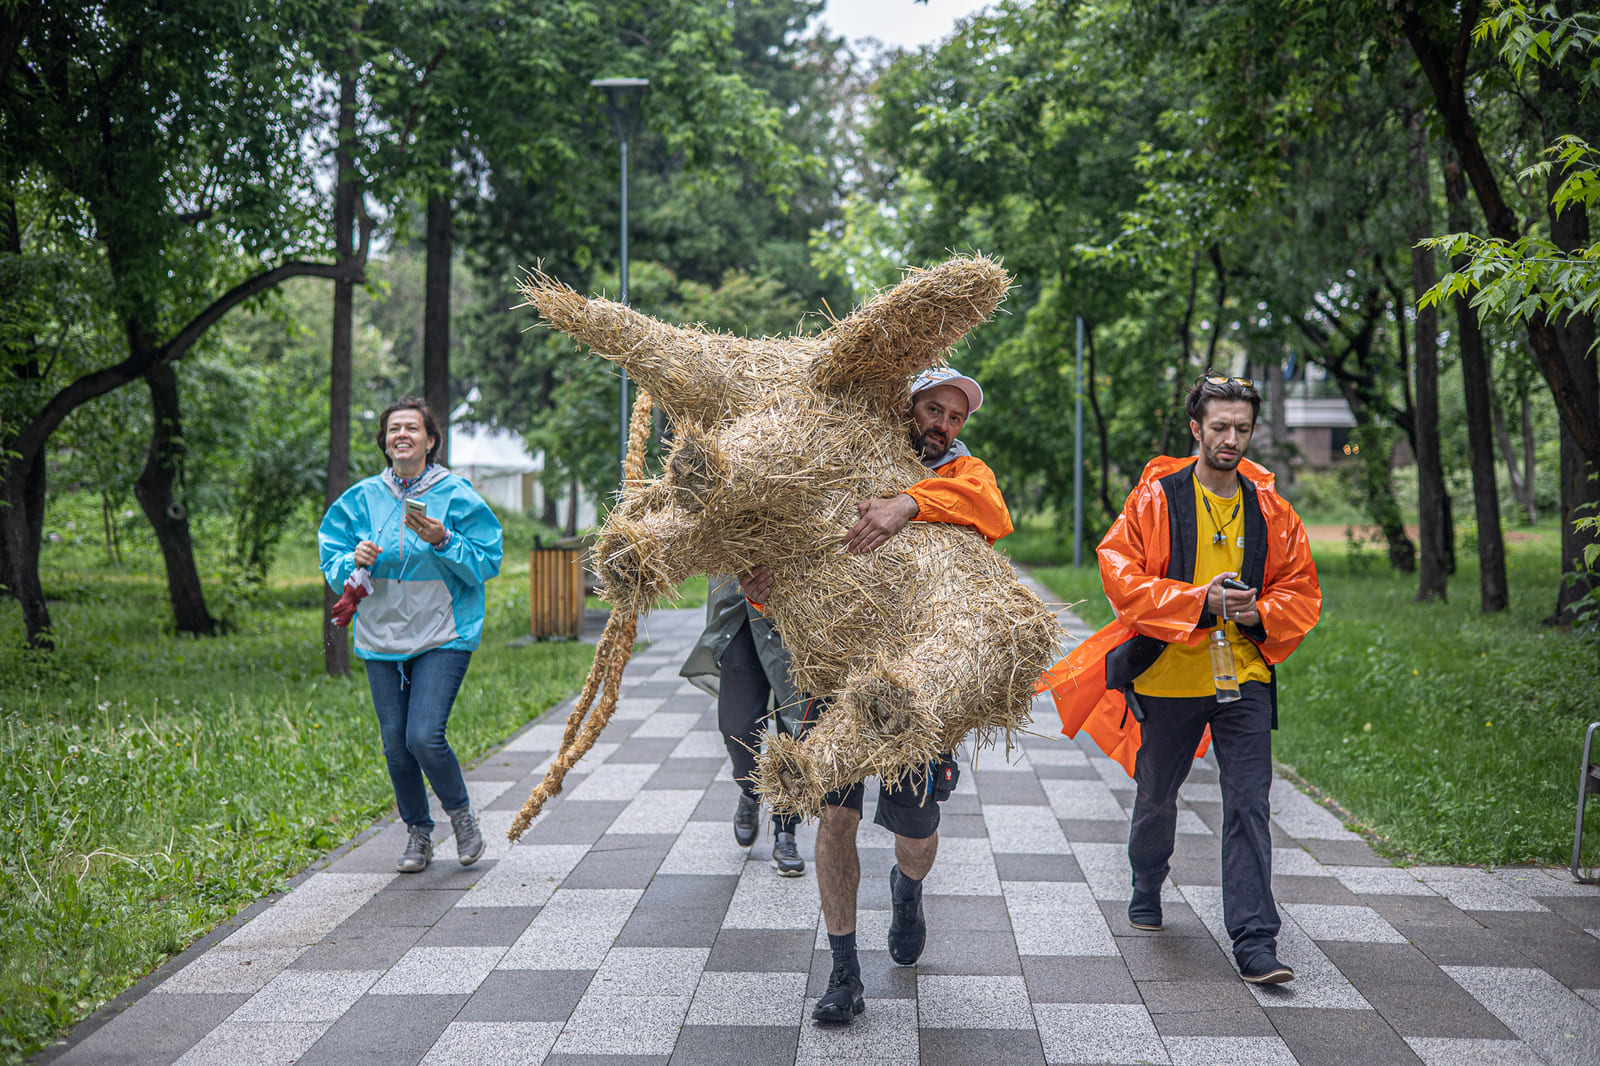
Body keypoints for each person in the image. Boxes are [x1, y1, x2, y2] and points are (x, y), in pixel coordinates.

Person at [751, 365, 1013, 1026]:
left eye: (955, 417)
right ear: (907, 406)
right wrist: (763, 585)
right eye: (933, 409)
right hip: (836, 677)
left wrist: (908, 505)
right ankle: (844, 972)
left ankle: (908, 888)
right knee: (835, 818)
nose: (943, 425)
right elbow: (800, 550)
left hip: (916, 684)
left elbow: (993, 512)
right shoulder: (850, 463)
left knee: (915, 834)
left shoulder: (964, 472)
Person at [1039, 371, 1321, 985]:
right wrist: (1199, 601)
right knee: (1156, 795)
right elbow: (1121, 576)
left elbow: (1301, 589)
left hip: (1243, 677)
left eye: (1242, 428)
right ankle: (1146, 880)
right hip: (1168, 676)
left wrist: (1258, 612)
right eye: (1219, 427)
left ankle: (1255, 941)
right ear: (1196, 429)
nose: (1230, 439)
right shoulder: (1156, 499)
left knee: (1248, 804)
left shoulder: (1272, 510)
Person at [319, 396, 504, 874]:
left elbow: (487, 561)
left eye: (412, 428)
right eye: (394, 429)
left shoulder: (457, 494)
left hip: (444, 632)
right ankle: (418, 834)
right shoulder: (359, 499)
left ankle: (461, 818)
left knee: (424, 736)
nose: (402, 435)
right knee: (396, 746)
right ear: (384, 442)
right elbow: (332, 558)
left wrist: (444, 540)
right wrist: (352, 559)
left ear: (430, 440)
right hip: (381, 637)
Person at [680, 574, 808, 875]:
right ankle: (750, 789)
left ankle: (785, 832)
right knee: (736, 728)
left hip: (796, 611)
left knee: (795, 729)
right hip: (741, 609)